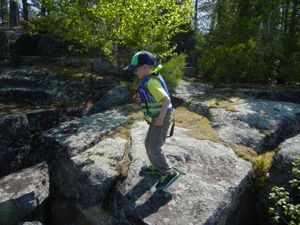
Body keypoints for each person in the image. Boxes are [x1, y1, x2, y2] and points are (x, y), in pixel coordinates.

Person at [124, 51, 180, 190]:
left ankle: (169, 173)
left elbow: (166, 100)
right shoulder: (149, 79)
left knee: (154, 148)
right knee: (148, 143)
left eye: (135, 69)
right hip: (157, 117)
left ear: (145, 67)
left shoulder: (151, 82)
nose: (134, 72)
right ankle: (157, 167)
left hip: (162, 117)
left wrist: (160, 119)